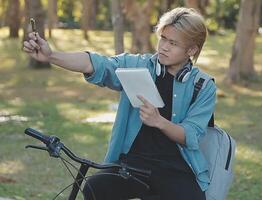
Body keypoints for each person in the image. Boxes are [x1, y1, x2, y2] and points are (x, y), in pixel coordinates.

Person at [23, 7, 216, 200]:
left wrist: (159, 121)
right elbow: (95, 63)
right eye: (163, 38)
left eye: (173, 43)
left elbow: (191, 135)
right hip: (130, 164)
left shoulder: (204, 86)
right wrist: (51, 55)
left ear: (191, 49)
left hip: (175, 167)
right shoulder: (137, 65)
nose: (163, 47)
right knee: (94, 187)